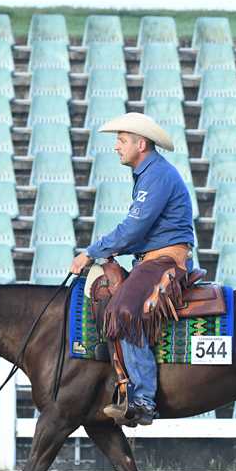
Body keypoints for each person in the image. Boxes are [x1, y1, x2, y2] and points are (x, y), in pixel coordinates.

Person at [69, 113, 195, 425]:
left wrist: (91, 253)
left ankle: (143, 399)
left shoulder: (156, 176)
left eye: (122, 141)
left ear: (141, 145)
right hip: (151, 258)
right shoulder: (148, 174)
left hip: (166, 260)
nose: (116, 147)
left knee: (124, 311)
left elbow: (133, 229)